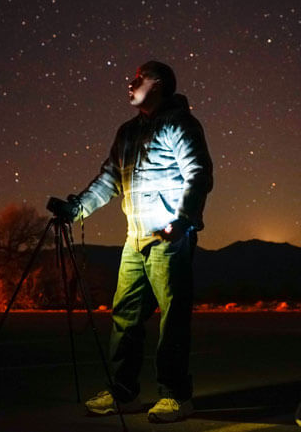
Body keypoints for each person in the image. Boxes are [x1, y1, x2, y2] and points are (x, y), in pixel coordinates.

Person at [66, 60, 213, 423]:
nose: (129, 84)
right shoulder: (127, 132)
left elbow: (198, 174)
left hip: (168, 239)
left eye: (138, 79)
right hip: (135, 240)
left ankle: (176, 395)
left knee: (172, 320)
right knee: (125, 317)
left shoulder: (180, 124)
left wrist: (182, 222)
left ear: (158, 84)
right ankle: (124, 393)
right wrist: (76, 210)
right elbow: (109, 180)